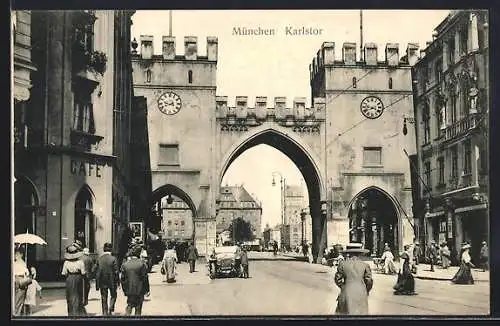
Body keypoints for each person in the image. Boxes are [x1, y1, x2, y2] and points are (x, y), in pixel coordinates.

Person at [334, 243, 373, 315]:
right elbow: (369, 281)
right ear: (360, 253)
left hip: (347, 292)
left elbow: (337, 279)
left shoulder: (342, 264)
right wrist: (366, 290)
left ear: (348, 253)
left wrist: (343, 287)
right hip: (361, 292)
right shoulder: (365, 265)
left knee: (345, 315)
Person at [120, 245, 150, 316]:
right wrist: (147, 290)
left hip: (129, 290)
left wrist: (125, 290)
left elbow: (122, 279)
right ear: (139, 253)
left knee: (129, 305)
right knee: (138, 308)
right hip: (140, 290)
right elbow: (145, 278)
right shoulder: (142, 264)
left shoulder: (125, 265)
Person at [61, 245, 86, 316]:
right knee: (78, 295)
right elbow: (83, 272)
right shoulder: (80, 262)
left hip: (69, 278)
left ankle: (71, 313)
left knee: (70, 296)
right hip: (78, 278)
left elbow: (64, 273)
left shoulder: (66, 262)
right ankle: (78, 312)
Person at [95, 243, 119, 316]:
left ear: (104, 249)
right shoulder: (113, 259)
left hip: (102, 280)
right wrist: (118, 281)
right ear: (111, 249)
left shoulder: (99, 259)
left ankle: (105, 312)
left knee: (103, 296)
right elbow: (116, 271)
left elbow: (95, 269)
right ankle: (111, 309)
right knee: (113, 295)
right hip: (112, 280)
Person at [13, 247, 31, 316]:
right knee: (19, 300)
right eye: (15, 254)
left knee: (15, 299)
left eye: (16, 254)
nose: (15, 256)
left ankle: (15, 313)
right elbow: (27, 273)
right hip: (21, 281)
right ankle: (17, 314)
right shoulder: (23, 263)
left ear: (21, 254)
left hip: (15, 280)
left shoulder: (14, 263)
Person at [80, 247, 94, 314]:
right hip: (87, 276)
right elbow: (92, 268)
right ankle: (85, 301)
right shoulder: (89, 259)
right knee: (86, 289)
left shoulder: (80, 258)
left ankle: (82, 301)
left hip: (80, 276)